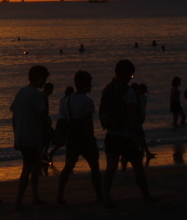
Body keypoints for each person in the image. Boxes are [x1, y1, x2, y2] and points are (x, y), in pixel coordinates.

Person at [100, 59, 155, 207]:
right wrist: (136, 135)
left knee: (110, 168)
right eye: (131, 76)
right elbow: (132, 114)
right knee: (138, 166)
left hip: (110, 134)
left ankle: (106, 198)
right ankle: (146, 196)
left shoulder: (108, 89)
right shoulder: (128, 91)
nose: (131, 78)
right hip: (125, 135)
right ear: (125, 74)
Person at [56, 70, 103, 205]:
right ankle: (99, 195)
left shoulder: (66, 100)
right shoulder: (88, 101)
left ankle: (59, 194)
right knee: (94, 166)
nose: (91, 87)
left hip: (72, 137)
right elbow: (88, 122)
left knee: (68, 167)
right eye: (89, 84)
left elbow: (63, 120)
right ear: (83, 84)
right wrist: (92, 138)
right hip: (84, 136)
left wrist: (61, 136)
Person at [9, 64, 50, 208]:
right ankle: (20, 200)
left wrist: (16, 136)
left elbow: (14, 116)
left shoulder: (21, 92)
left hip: (22, 135)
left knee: (34, 166)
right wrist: (43, 137)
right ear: (38, 78)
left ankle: (34, 196)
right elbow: (41, 118)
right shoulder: (37, 95)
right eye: (44, 79)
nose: (44, 82)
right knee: (28, 168)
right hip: (32, 137)